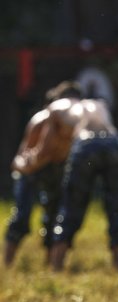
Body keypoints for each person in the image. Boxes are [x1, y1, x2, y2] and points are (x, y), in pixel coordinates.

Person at [12, 81, 118, 271]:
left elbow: (45, 150)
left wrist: (25, 165)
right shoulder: (96, 104)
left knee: (71, 205)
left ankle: (56, 267)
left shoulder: (54, 108)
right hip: (114, 142)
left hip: (85, 142)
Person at [4, 83, 78, 266]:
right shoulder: (41, 120)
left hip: (56, 168)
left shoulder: (76, 123)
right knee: (22, 214)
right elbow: (21, 156)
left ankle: (51, 265)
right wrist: (29, 165)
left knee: (55, 215)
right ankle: (6, 263)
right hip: (31, 170)